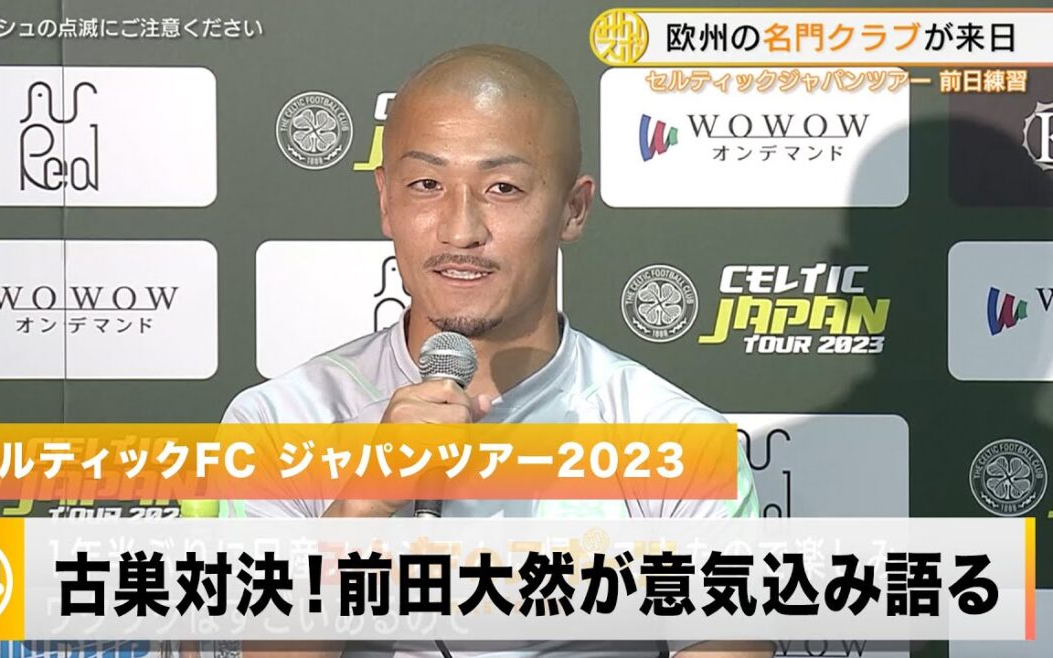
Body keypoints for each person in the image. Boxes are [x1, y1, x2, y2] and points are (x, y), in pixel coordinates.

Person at [221, 44, 770, 658]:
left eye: (503, 188)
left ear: (573, 209)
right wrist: (362, 505)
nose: (460, 230)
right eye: (426, 185)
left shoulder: (675, 439)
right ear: (385, 200)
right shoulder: (279, 422)